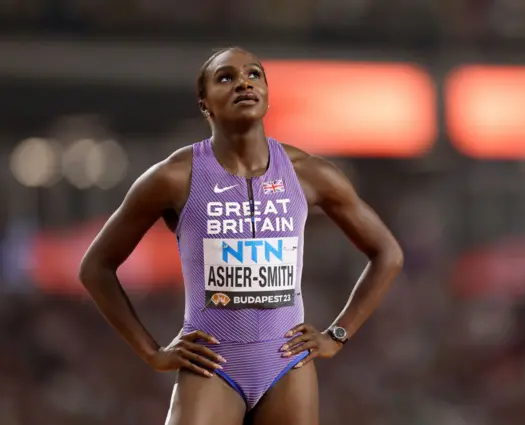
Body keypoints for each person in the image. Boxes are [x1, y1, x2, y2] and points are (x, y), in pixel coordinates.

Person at [79, 46, 404, 425]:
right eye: (226, 77)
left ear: (267, 93)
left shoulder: (309, 173)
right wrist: (151, 352)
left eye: (254, 75)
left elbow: (388, 254)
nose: (243, 84)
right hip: (213, 365)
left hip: (287, 366)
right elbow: (96, 267)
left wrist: (338, 334)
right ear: (205, 105)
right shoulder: (173, 176)